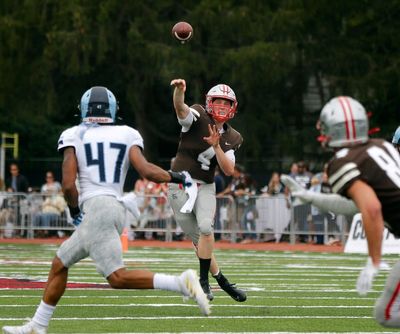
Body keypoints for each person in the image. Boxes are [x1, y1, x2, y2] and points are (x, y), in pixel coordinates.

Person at [2, 86, 210, 334]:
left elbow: (69, 186)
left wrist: (73, 210)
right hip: (112, 206)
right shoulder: (127, 133)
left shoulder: (73, 134)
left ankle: (181, 283)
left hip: (96, 209)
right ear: (112, 110)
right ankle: (38, 325)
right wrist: (178, 176)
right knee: (59, 263)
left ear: (83, 109)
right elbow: (145, 171)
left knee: (117, 278)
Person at [282, 96, 400, 328]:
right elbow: (358, 204)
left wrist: (374, 260)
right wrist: (311, 197)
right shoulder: (381, 146)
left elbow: (372, 208)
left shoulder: (341, 162)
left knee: (386, 314)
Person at [168, 79, 247, 303]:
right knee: (199, 241)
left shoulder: (232, 137)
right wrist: (179, 91)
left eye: (226, 103)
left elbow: (229, 169)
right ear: (209, 102)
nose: (222, 106)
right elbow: (180, 109)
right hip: (180, 185)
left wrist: (216, 145)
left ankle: (204, 282)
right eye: (218, 101)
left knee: (205, 228)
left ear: (233, 107)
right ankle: (222, 281)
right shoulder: (198, 114)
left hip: (205, 186)